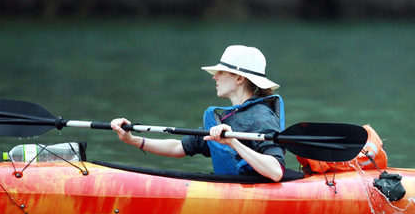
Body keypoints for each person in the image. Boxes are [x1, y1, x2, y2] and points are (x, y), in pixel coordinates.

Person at [111, 45, 286, 182]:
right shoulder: (226, 118)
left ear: (239, 79)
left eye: (221, 72)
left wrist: (232, 142)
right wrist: (131, 139)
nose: (214, 77)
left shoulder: (261, 116)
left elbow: (276, 171)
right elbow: (178, 148)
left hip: (255, 192)